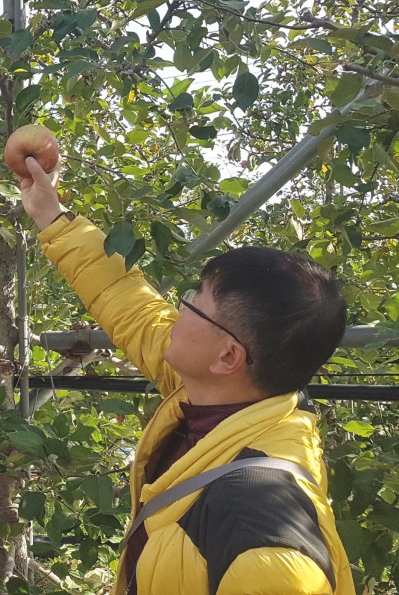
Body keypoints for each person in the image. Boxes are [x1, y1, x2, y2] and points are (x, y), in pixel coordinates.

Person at [19, 154, 355, 595]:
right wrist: (51, 214)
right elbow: (129, 303)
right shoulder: (223, 395)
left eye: (196, 303)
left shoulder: (260, 539)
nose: (179, 306)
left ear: (228, 356)